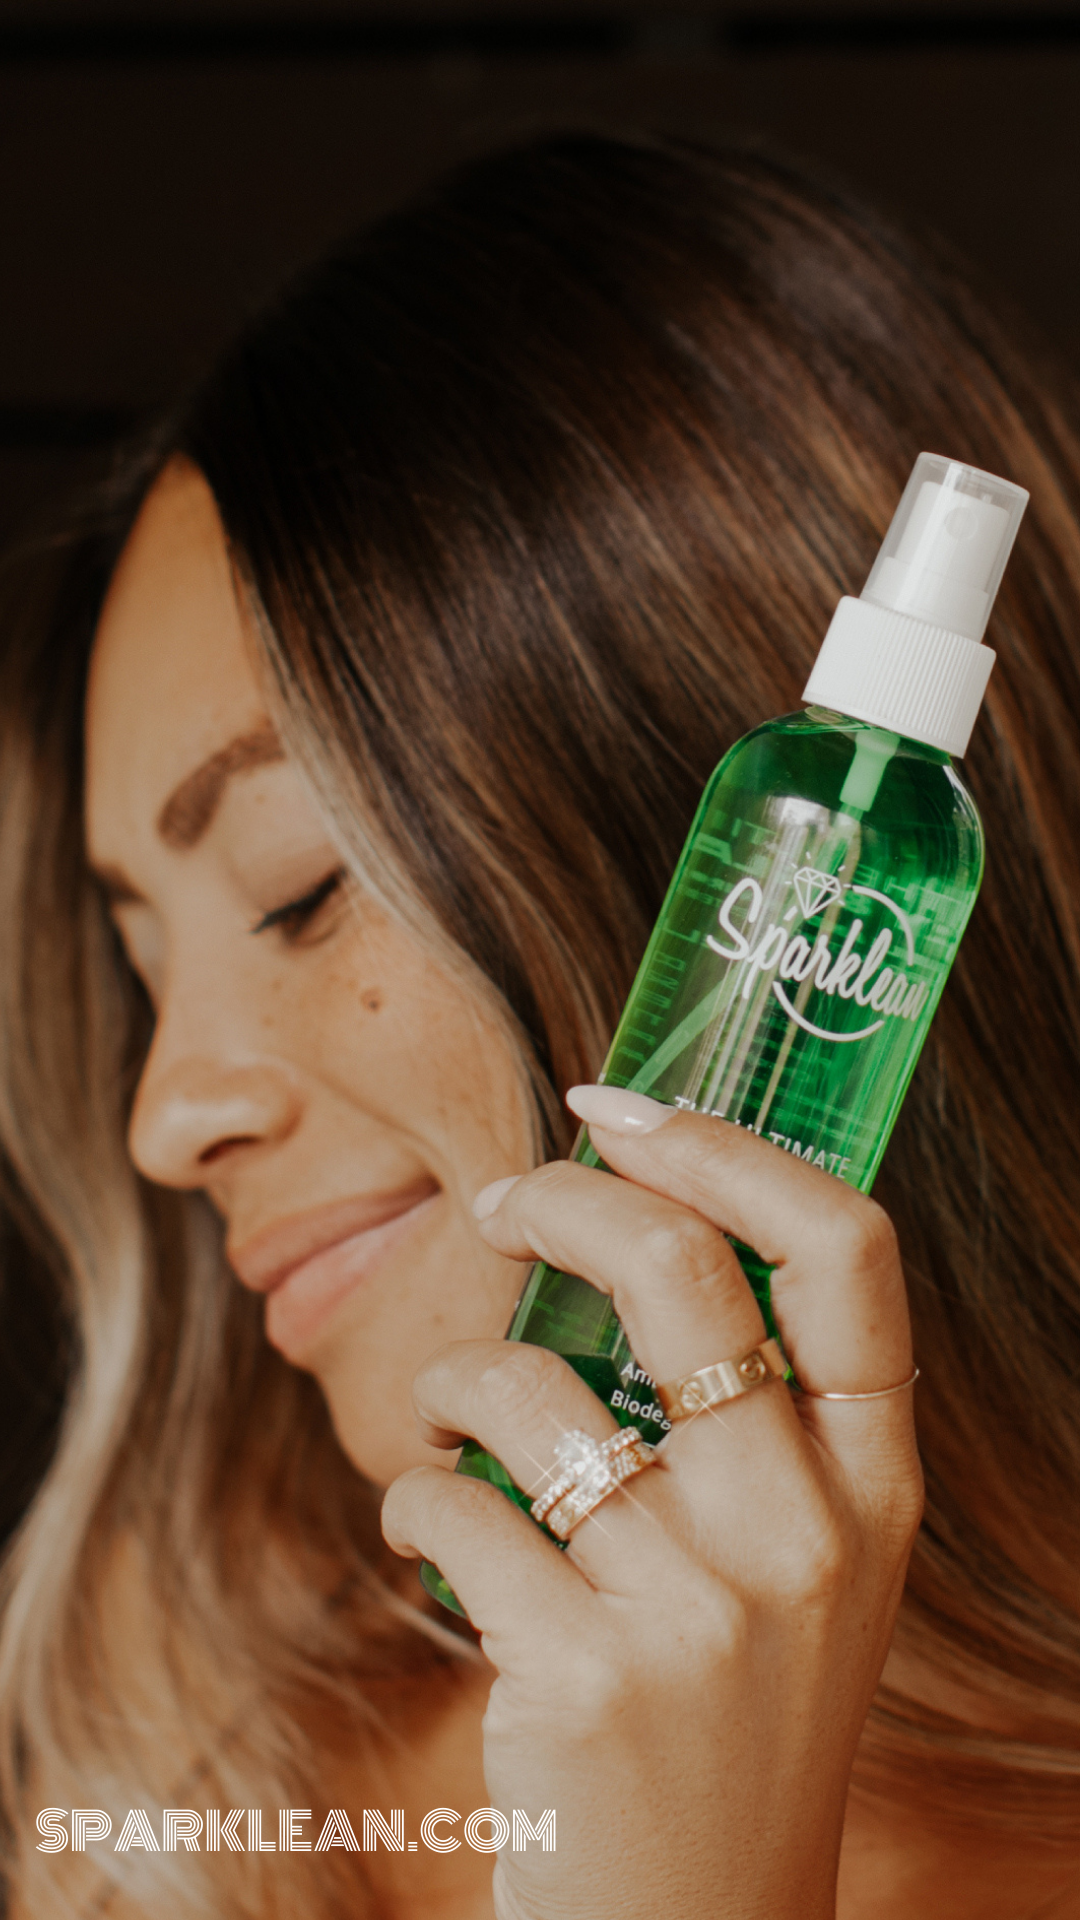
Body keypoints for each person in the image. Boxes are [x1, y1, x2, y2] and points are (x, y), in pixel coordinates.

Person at [0, 130, 1078, 1920]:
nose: (163, 1119)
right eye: (141, 964)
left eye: (295, 888)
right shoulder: (173, 1763)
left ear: (770, 899)